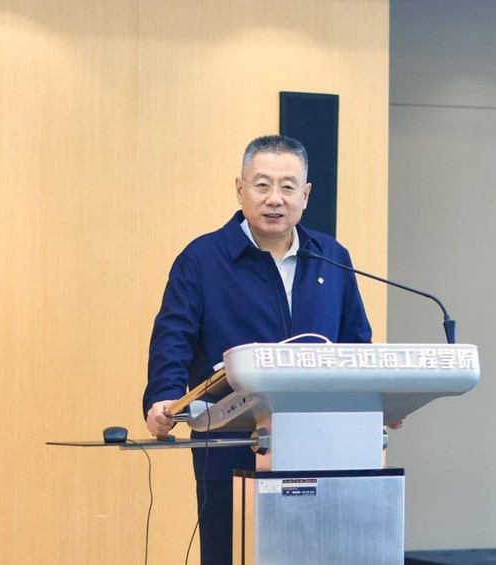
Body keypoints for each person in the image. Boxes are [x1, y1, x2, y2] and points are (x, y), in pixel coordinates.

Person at [143, 134, 372, 564]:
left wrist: (376, 401)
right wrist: (164, 397)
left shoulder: (331, 257)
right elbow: (173, 338)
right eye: (262, 185)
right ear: (240, 188)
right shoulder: (202, 259)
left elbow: (356, 345)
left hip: (322, 452)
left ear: (305, 195)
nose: (275, 199)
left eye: (288, 187)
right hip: (230, 449)